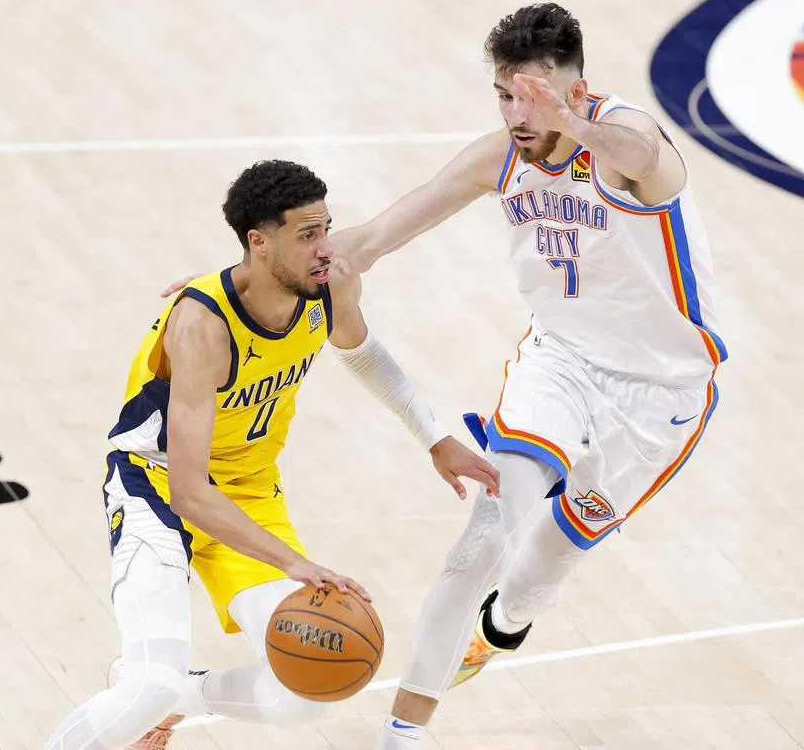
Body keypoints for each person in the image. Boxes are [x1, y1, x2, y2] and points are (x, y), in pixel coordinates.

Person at [330, 3, 729, 748]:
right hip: (562, 361)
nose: (517, 112)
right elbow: (380, 233)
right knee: (490, 529)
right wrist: (278, 271)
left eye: (533, 95)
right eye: (505, 95)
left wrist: (572, 123)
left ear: (575, 88)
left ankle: (501, 627)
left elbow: (639, 157)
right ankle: (403, 734)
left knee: (541, 562)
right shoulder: (500, 156)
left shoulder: (628, 142)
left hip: (661, 390)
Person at [43, 159, 498, 750]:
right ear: (259, 243)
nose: (325, 248)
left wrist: (435, 438)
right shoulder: (202, 327)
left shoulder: (328, 285)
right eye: (307, 236)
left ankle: (178, 695)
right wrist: (294, 563)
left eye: (326, 229)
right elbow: (189, 493)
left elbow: (363, 352)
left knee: (307, 689)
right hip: (156, 487)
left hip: (249, 492)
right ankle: (154, 689)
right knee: (152, 680)